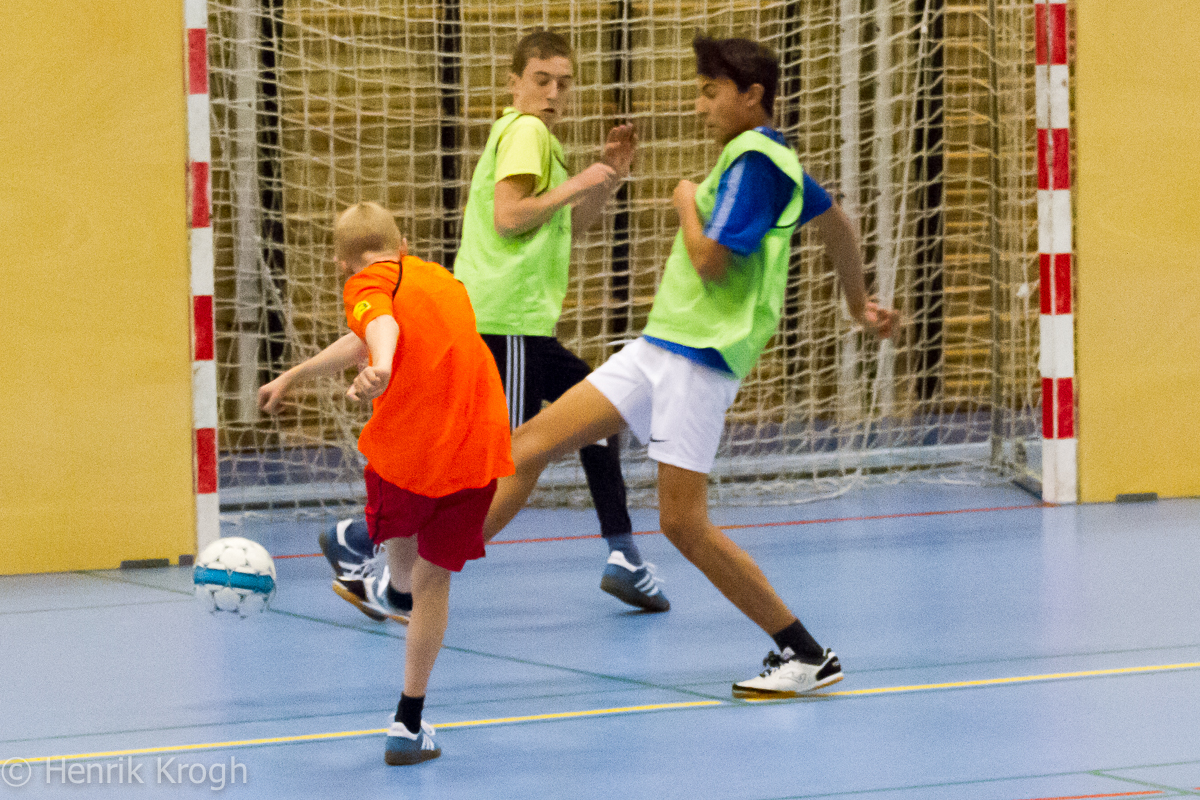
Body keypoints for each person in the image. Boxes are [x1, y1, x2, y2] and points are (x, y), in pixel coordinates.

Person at [477, 35, 900, 697]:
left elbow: (710, 261)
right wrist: (858, 304)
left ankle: (806, 654)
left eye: (710, 92)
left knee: (682, 524)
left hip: (698, 363)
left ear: (752, 96)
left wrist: (682, 200)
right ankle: (415, 578)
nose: (700, 106)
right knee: (525, 446)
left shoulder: (756, 161)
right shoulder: (769, 158)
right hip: (659, 347)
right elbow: (838, 224)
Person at [289, 29, 668, 620]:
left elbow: (569, 224)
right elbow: (510, 216)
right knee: (495, 466)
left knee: (598, 414)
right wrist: (581, 180)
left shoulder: (539, 140)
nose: (553, 92)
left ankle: (623, 554)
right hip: (504, 320)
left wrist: (608, 177)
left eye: (564, 83)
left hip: (523, 323)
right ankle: (377, 554)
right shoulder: (526, 131)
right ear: (514, 82)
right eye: (541, 80)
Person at [268, 202, 515, 764]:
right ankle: (408, 722)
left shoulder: (366, 281)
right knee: (433, 583)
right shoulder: (444, 280)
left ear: (342, 264)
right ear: (402, 245)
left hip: (411, 451)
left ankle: (359, 540)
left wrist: (378, 366)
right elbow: (374, 333)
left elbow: (381, 327)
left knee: (401, 529)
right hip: (477, 447)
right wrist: (300, 373)